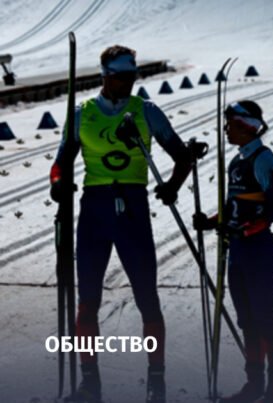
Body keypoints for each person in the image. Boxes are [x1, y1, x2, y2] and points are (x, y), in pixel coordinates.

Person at [49, 45, 192, 403]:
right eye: (121, 77)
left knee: (147, 298)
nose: (128, 83)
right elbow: (60, 163)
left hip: (132, 210)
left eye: (132, 76)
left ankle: (156, 383)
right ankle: (90, 384)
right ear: (105, 76)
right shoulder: (81, 114)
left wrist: (172, 186)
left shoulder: (147, 111)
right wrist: (58, 184)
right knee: (87, 301)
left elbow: (182, 157)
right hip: (94, 211)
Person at [193, 100, 273, 403]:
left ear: (246, 126)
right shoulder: (236, 161)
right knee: (246, 320)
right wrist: (210, 222)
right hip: (237, 252)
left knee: (264, 317)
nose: (225, 130)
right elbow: (232, 206)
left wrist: (247, 230)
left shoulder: (263, 159)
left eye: (231, 124)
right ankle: (254, 385)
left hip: (259, 251)